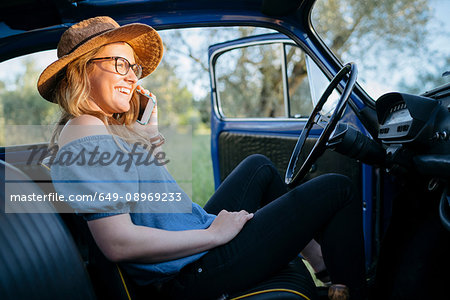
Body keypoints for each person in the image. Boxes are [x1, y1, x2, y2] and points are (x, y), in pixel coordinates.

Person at [38, 16, 366, 300]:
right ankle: (352, 287)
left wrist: (149, 134)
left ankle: (320, 261)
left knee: (259, 167)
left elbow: (155, 205)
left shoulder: (102, 128)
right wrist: (215, 234)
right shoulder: (85, 130)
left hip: (190, 249)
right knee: (337, 188)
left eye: (133, 67)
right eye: (119, 64)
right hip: (187, 274)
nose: (132, 77)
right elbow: (117, 243)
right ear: (82, 70)